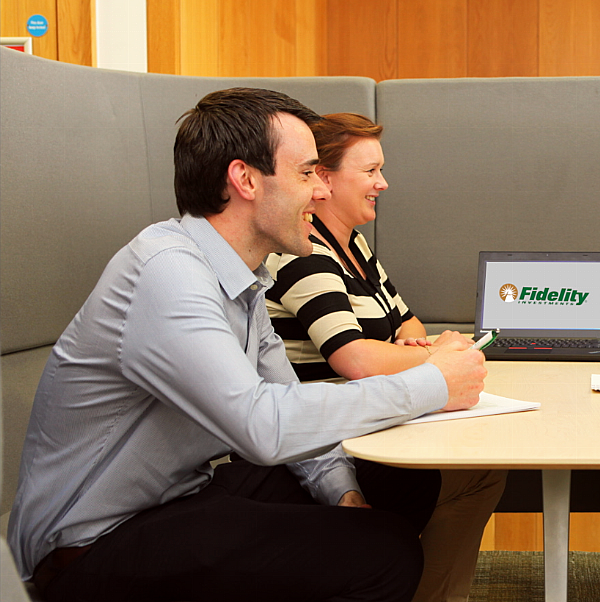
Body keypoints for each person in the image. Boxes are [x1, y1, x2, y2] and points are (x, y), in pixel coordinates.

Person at [6, 88, 486, 602]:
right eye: (306, 174)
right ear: (246, 180)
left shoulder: (242, 277)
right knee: (385, 556)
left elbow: (285, 399)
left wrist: (344, 495)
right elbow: (263, 425)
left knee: (397, 487)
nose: (320, 193)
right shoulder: (168, 271)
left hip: (180, 495)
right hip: (90, 546)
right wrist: (432, 384)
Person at [264, 112, 506, 602]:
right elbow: (352, 357)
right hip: (329, 438)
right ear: (324, 179)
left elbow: (408, 326)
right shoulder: (304, 251)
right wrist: (437, 360)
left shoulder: (353, 245)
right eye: (371, 171)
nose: (383, 183)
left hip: (375, 416)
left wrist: (420, 351)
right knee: (476, 474)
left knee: (480, 470)